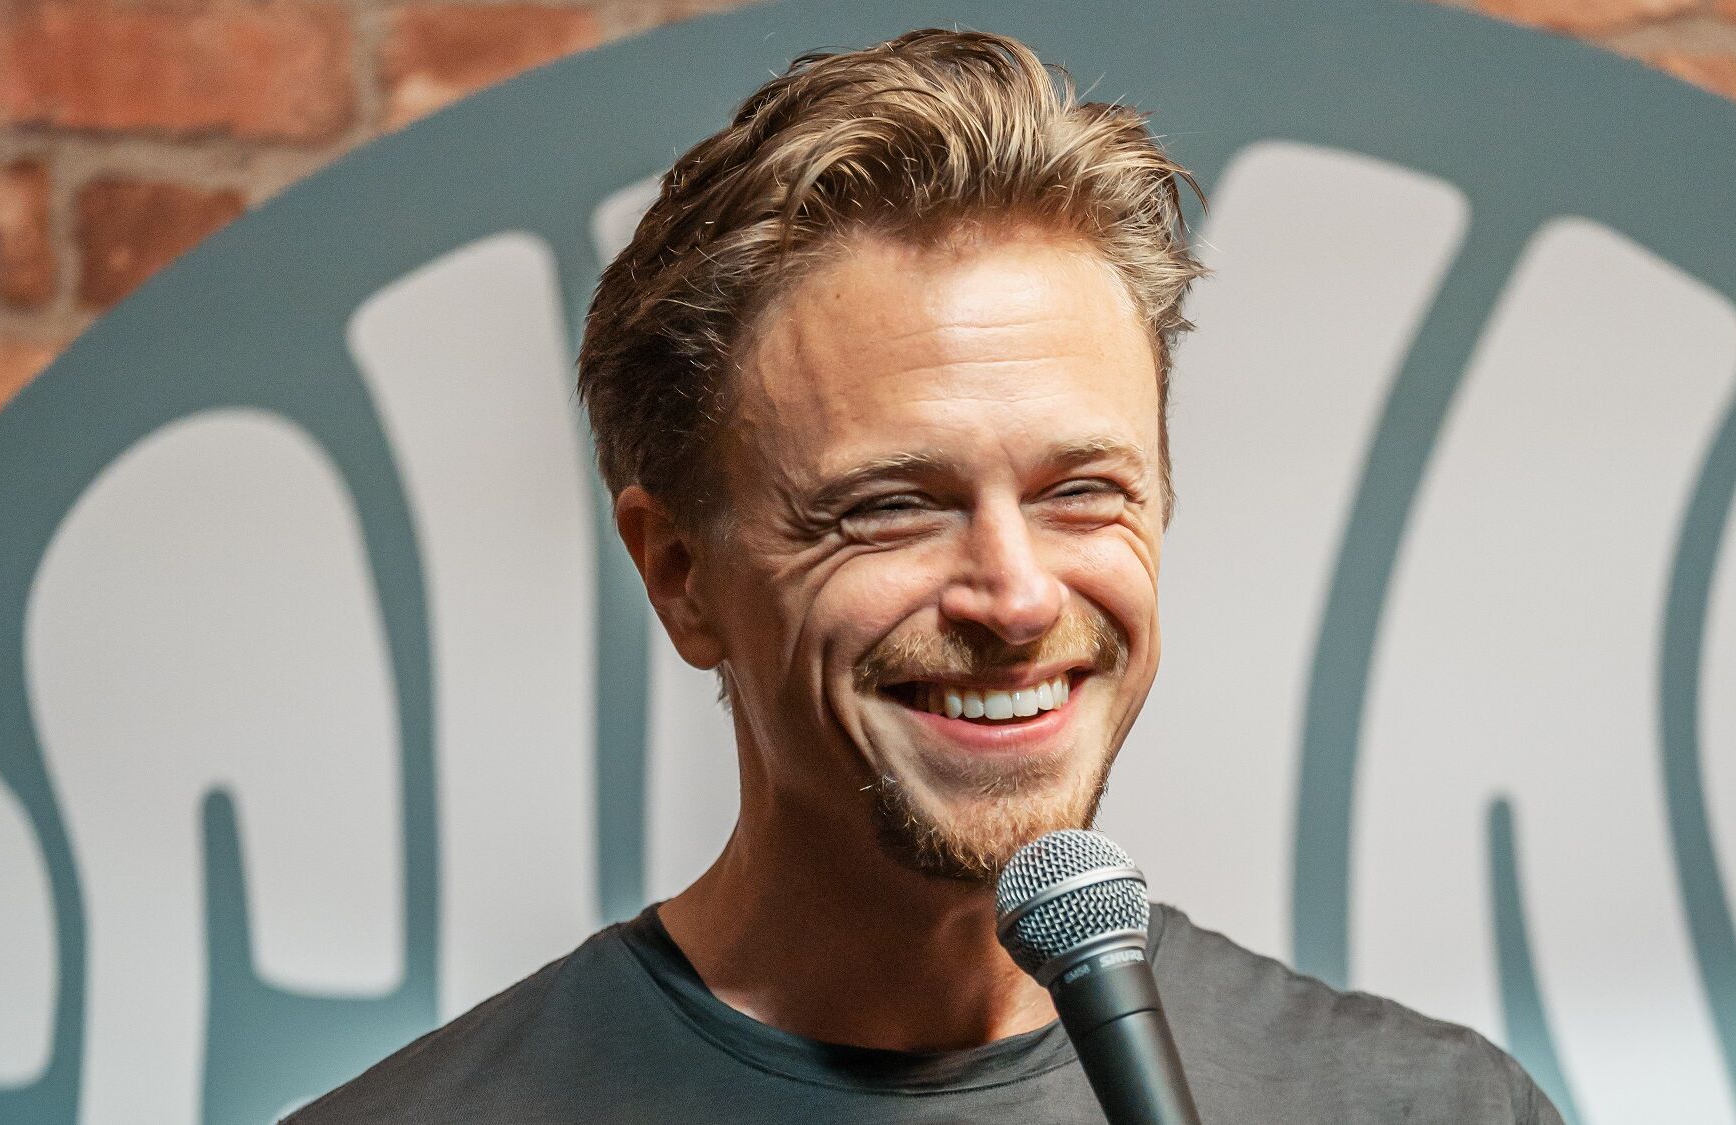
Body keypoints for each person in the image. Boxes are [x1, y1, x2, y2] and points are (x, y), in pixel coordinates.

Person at [289, 28, 1561, 1123]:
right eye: (891, 508)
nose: (1016, 598)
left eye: (1079, 492)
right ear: (679, 576)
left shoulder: (1426, 1106)